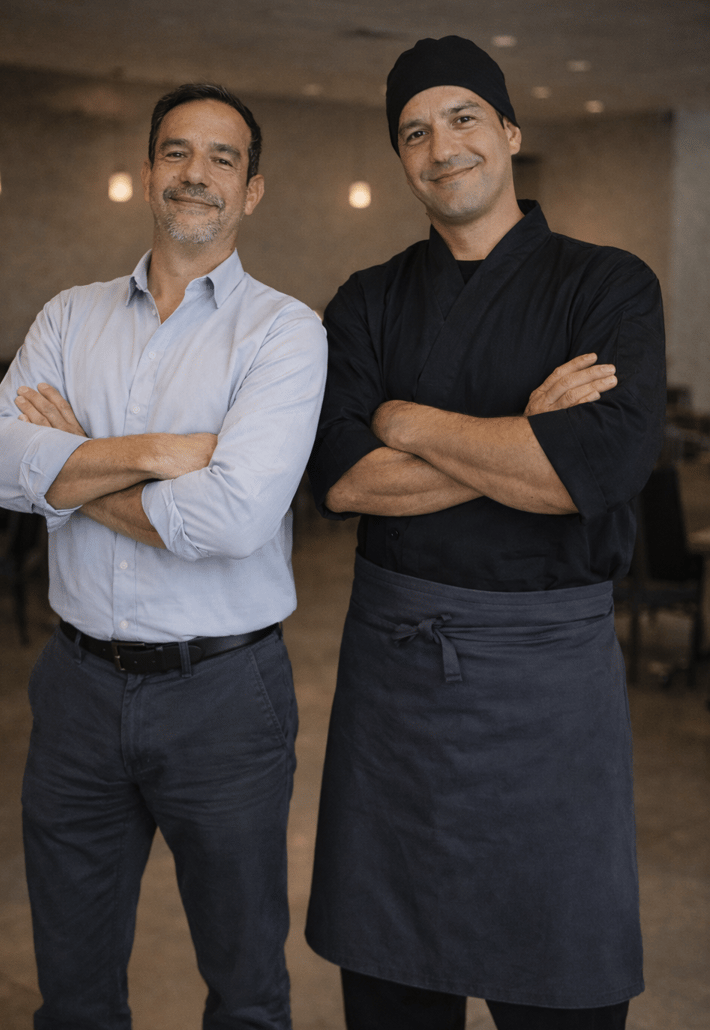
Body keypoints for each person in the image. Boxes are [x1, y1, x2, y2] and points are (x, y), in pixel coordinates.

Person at [305, 36, 665, 1030]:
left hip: (549, 694)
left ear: (509, 130)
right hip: (396, 696)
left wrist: (406, 421)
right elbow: (340, 484)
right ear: (400, 158)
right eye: (414, 131)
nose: (441, 145)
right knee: (392, 990)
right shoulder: (368, 301)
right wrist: (526, 433)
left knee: (564, 985)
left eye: (464, 117)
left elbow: (589, 475)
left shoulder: (609, 285)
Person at [0, 83, 326, 1030]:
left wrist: (72, 465)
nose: (195, 174)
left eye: (222, 158)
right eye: (177, 152)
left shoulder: (285, 335)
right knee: (74, 993)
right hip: (77, 692)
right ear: (147, 173)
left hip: (224, 698)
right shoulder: (70, 317)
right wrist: (160, 453)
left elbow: (235, 519)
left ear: (253, 189)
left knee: (246, 989)